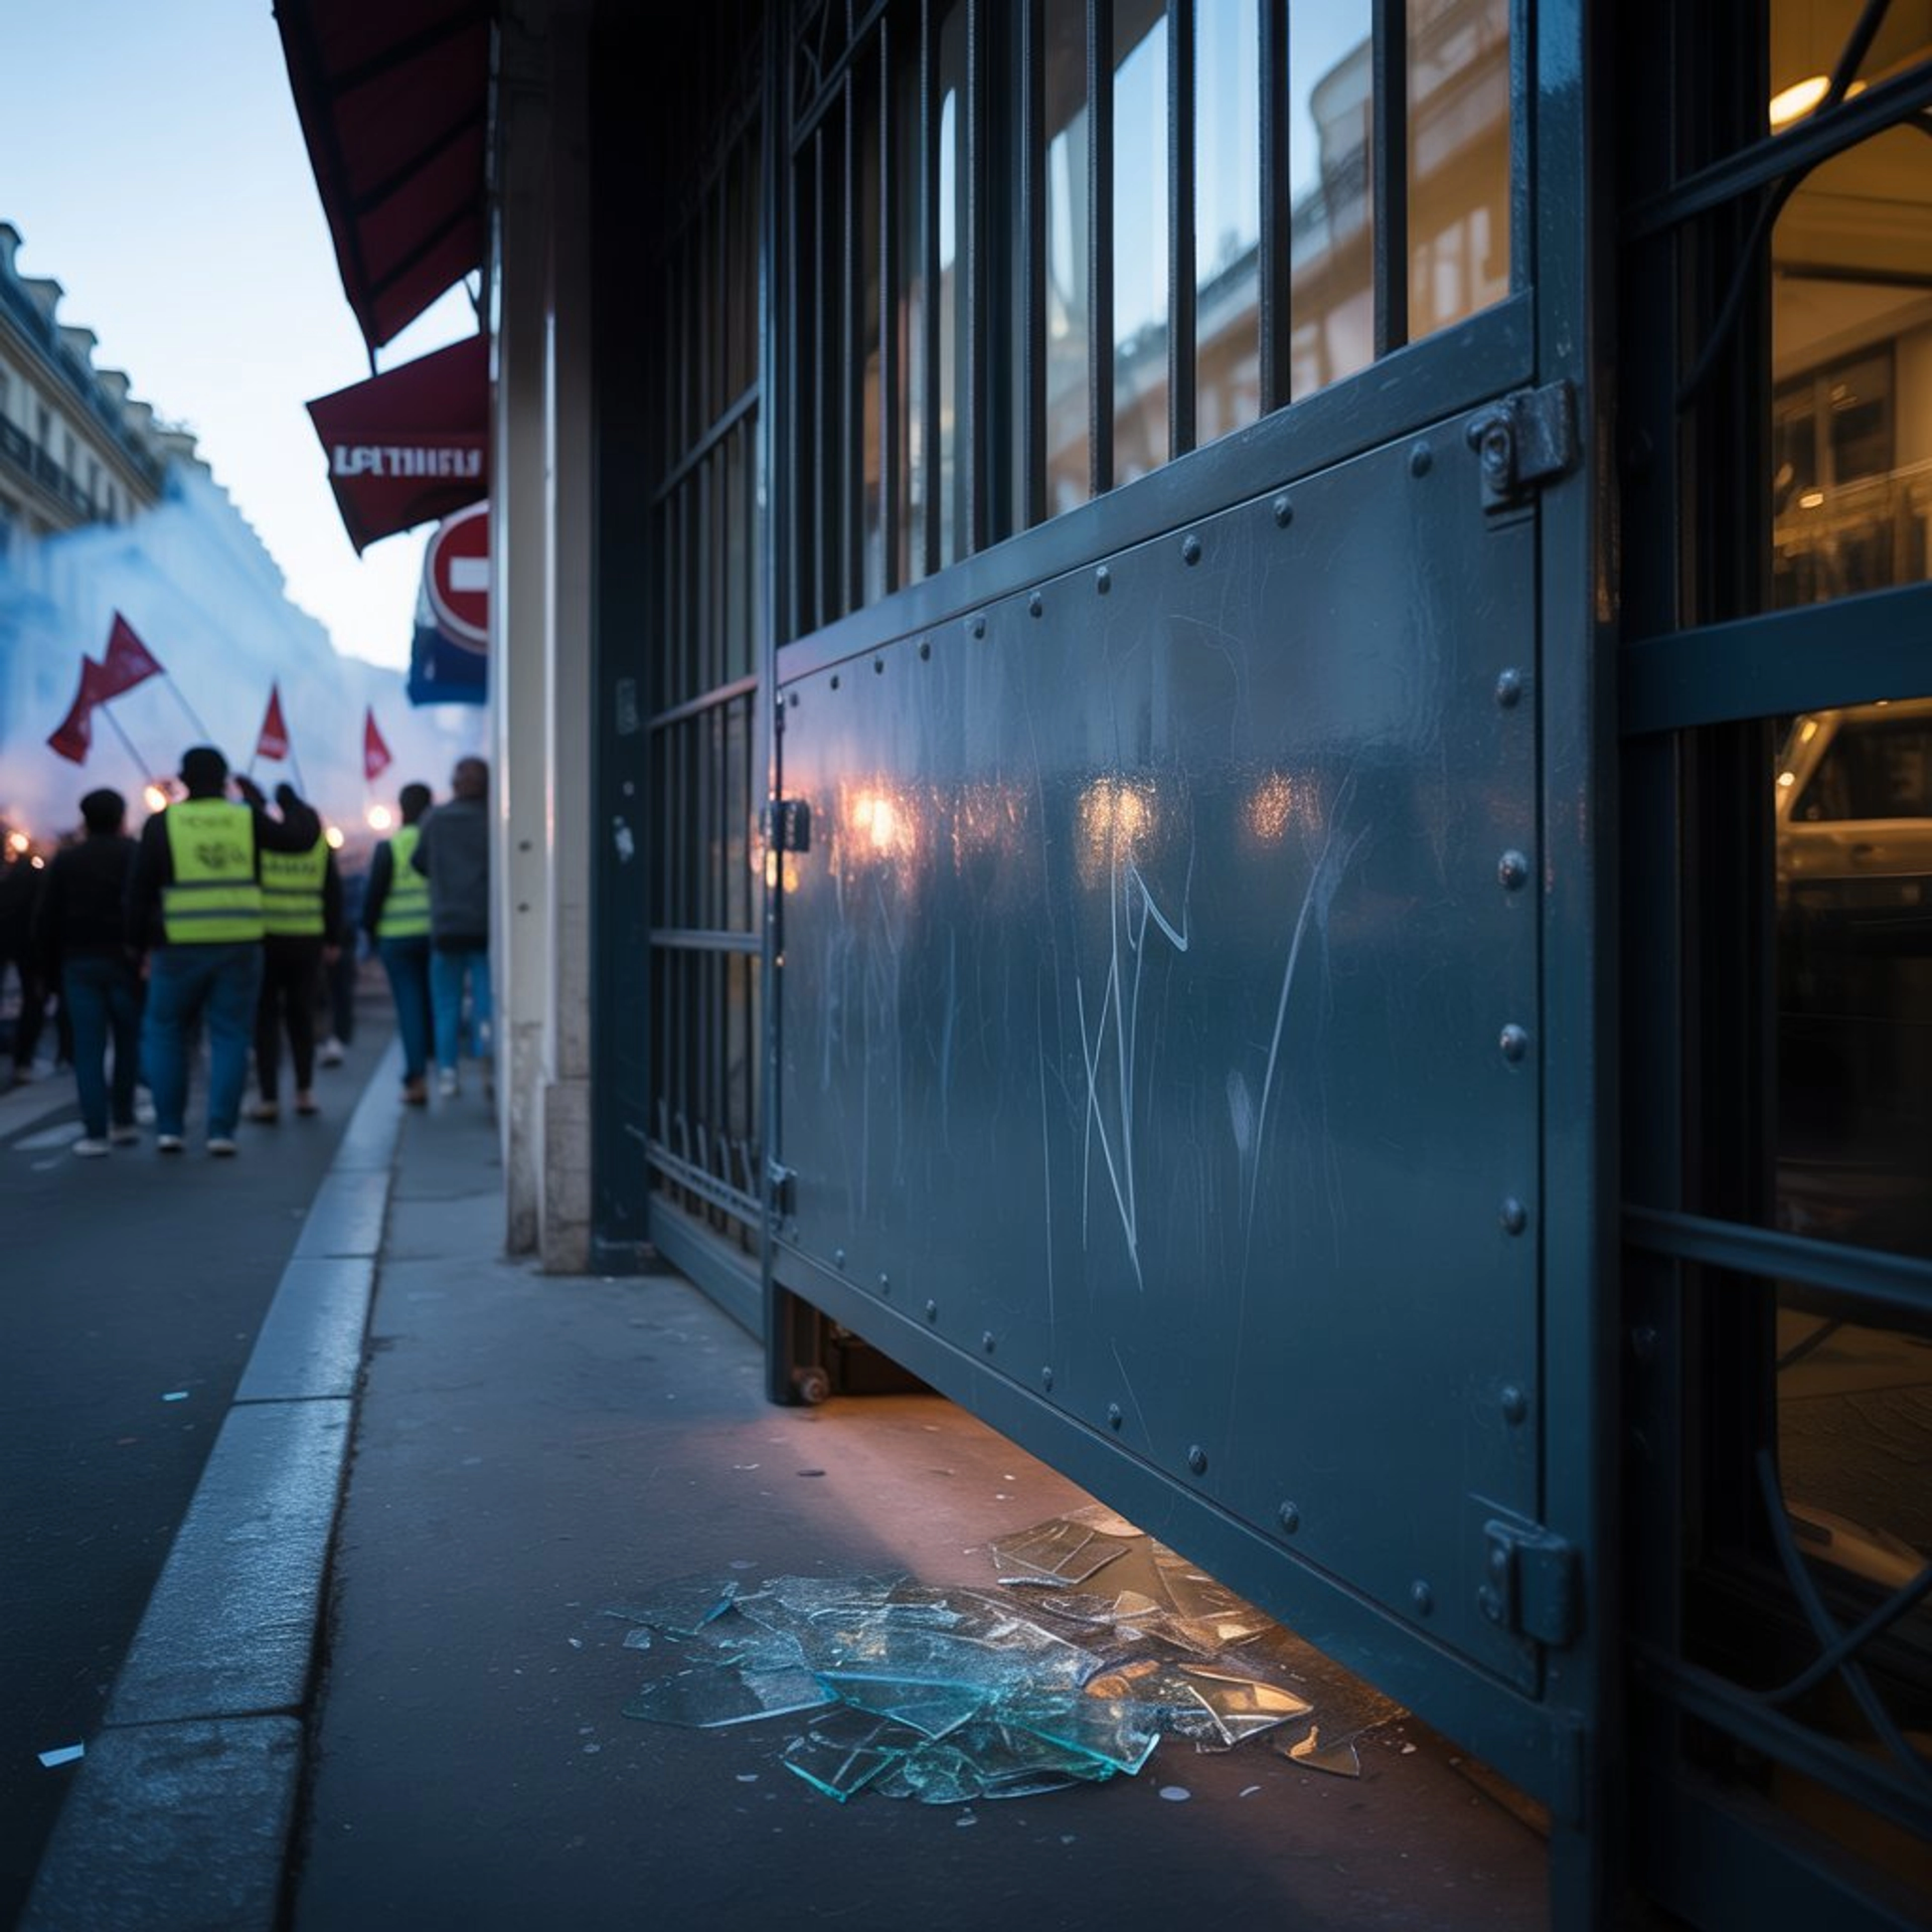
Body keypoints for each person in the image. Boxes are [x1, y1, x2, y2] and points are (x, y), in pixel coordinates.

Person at [125, 745, 320, 1156]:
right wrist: (277, 800)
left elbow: (140, 891)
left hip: (178, 946)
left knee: (165, 1033)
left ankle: (170, 1128)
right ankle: (221, 1132)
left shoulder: (162, 823)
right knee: (231, 1035)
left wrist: (137, 948)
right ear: (227, 779)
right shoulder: (245, 818)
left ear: (182, 779)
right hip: (241, 943)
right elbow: (300, 839)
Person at [33, 789, 141, 1154]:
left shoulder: (67, 861)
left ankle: (96, 1131)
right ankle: (124, 1120)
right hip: (125, 962)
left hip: (79, 963)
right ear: (121, 817)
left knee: (88, 1048)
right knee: (127, 1043)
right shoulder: (133, 854)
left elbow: (46, 918)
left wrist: (44, 975)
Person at [248, 784, 343, 1122]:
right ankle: (305, 1091)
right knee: (301, 1017)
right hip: (308, 940)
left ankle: (269, 1097)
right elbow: (333, 891)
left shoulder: (264, 838)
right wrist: (334, 939)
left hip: (267, 938)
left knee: (266, 1020)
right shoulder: (319, 843)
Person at [412, 755, 492, 1099]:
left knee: (446, 1003)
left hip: (446, 923)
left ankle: (447, 1073)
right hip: (485, 924)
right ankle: (489, 1064)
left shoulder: (436, 819)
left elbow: (419, 861)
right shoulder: (493, 818)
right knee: (486, 1000)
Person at [362, 781, 435, 1104]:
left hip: (397, 938)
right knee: (436, 1001)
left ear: (401, 809)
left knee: (409, 1006)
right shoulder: (437, 841)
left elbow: (373, 898)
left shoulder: (389, 847)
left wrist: (369, 931)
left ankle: (416, 1077)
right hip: (434, 934)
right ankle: (444, 1067)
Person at [0, 839, 52, 1084]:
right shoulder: (29, 873)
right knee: (33, 1000)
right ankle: (23, 1059)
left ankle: (23, 1057)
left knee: (33, 1000)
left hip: (26, 945)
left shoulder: (28, 873)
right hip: (29, 945)